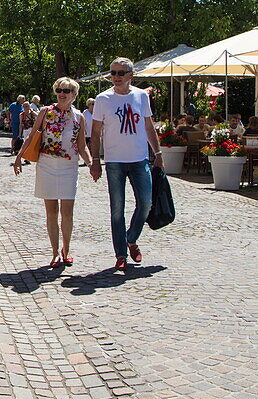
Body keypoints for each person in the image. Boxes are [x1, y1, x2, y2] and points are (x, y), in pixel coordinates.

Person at [89, 59, 163, 272]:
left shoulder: (141, 96)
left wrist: (157, 153)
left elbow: (148, 126)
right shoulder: (103, 99)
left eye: (121, 72)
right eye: (113, 73)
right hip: (114, 161)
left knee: (146, 203)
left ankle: (131, 238)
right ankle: (121, 253)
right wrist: (95, 160)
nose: (116, 76)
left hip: (139, 159)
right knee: (117, 209)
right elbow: (95, 132)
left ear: (131, 75)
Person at [14, 77, 93, 267]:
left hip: (69, 167)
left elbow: (82, 146)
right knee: (51, 211)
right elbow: (32, 136)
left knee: (67, 212)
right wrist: (18, 157)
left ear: (74, 94)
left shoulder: (79, 117)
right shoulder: (45, 112)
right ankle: (55, 252)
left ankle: (67, 249)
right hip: (47, 164)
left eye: (66, 91)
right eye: (59, 90)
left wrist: (91, 163)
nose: (62, 94)